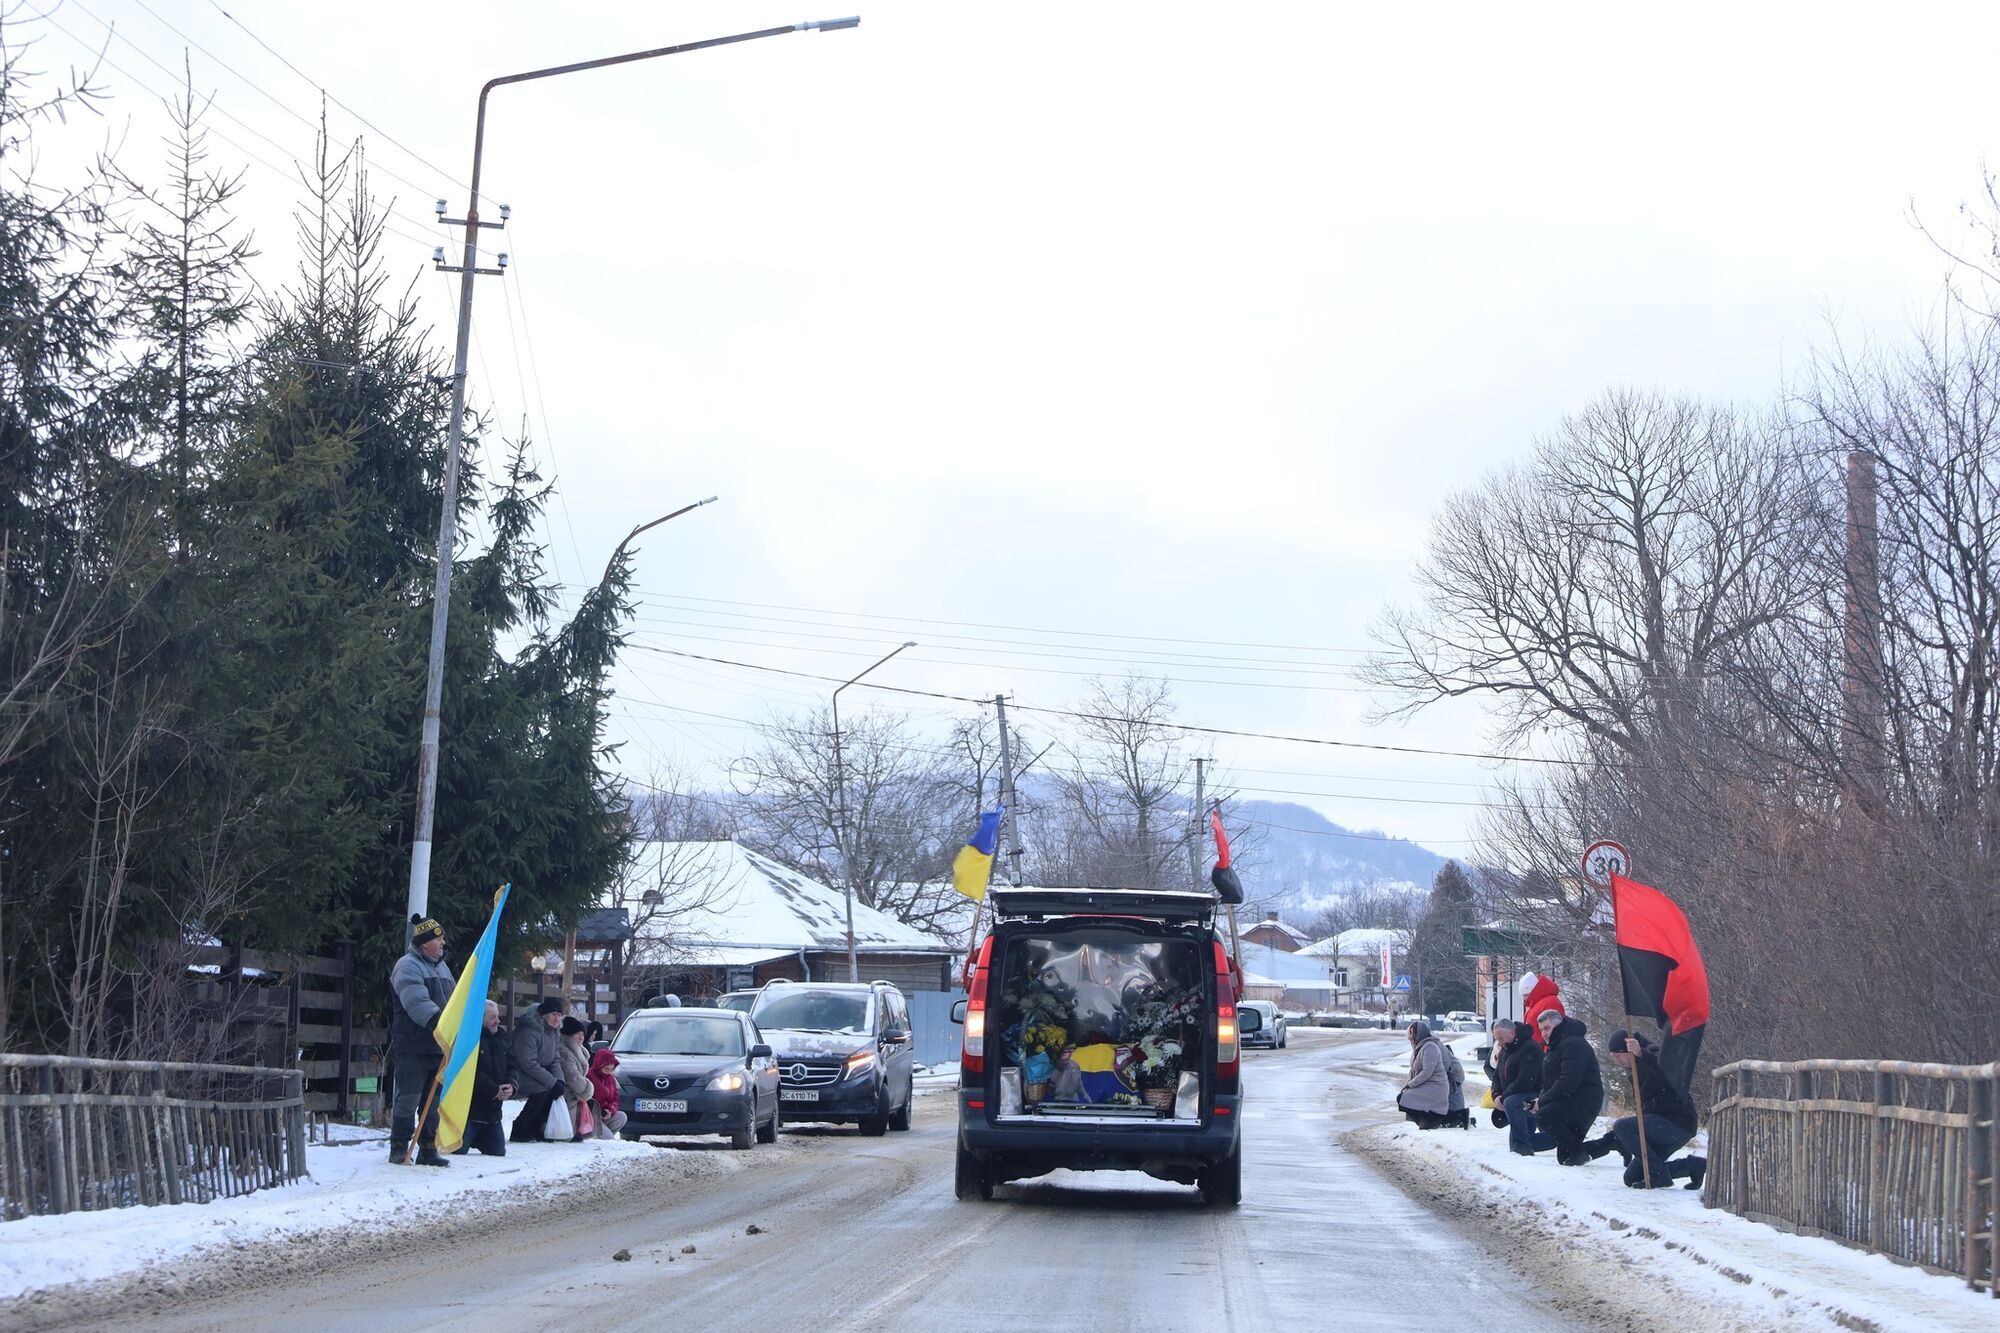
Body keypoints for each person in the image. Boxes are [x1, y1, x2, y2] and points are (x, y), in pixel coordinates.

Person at [1583, 1030, 1707, 1190]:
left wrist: (1641, 1053)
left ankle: (1658, 1175)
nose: (1616, 1061)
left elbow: (1667, 1071)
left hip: (1676, 1123)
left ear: (1629, 1049)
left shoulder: (1652, 1054)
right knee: (1632, 1177)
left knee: (1622, 1126)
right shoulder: (1634, 1068)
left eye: (1618, 1055)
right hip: (1659, 1124)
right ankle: (1692, 1166)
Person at [387, 915, 454, 1167]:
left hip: (438, 1046)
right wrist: (443, 1024)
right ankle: (399, 1148)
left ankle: (428, 1148)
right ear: (425, 943)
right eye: (438, 939)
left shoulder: (442, 967)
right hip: (414, 1047)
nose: (443, 943)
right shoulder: (407, 966)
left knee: (432, 1102)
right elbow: (416, 1003)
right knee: (408, 1099)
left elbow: (453, 1002)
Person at [1525, 1006, 1604, 1164]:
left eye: (1547, 1028)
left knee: (1545, 1115)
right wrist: (1539, 1100)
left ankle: (1580, 1151)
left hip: (1584, 1099)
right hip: (1568, 1098)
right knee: (1565, 1158)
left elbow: (1569, 1082)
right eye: (1541, 1030)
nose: (1544, 1034)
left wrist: (1542, 1102)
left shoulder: (1573, 1044)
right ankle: (1609, 1142)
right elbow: (1550, 1081)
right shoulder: (1555, 1046)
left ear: (1559, 1024)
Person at [456, 1000, 515, 1157]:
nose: (498, 1021)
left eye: (498, 1016)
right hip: (470, 1113)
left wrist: (512, 1085)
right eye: (493, 1017)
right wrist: (493, 1090)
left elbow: (513, 1065)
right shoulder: (469, 1039)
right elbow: (469, 1072)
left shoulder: (503, 1038)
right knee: (457, 1151)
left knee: (498, 1152)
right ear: (480, 1018)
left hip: (493, 1115)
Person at [509, 997, 566, 1142]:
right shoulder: (529, 1030)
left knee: (554, 1089)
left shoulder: (554, 1032)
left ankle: (537, 1128)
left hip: (536, 1072)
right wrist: (552, 1082)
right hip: (515, 1072)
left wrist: (560, 1081)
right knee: (543, 1089)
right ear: (544, 1015)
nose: (557, 1018)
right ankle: (520, 1128)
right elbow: (527, 1062)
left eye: (560, 1015)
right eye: (554, 1014)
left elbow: (555, 1059)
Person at [1489, 1019, 1546, 1154]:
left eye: (1501, 1038)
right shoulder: (1505, 1050)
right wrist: (1496, 1094)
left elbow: (1526, 1080)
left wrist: (1504, 1096)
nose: (1500, 1043)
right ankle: (1524, 1145)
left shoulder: (1531, 1048)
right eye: (1497, 1040)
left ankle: (1522, 1147)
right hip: (1513, 1094)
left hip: (1533, 1093)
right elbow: (1496, 1076)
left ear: (1512, 1032)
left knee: (1511, 1103)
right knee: (1522, 1132)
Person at [1397, 1021, 1451, 1129]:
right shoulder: (1418, 1048)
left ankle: (1429, 1120)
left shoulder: (1430, 1047)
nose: (1411, 1037)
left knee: (1405, 1098)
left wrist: (1411, 1084)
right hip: (1427, 1085)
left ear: (1420, 1033)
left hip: (1436, 1085)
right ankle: (1424, 1119)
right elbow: (1412, 1070)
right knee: (1403, 1097)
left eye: (1414, 1033)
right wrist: (1406, 1085)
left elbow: (1427, 1072)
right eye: (1410, 1033)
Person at [558, 1016, 593, 1141]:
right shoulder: (565, 1052)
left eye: (583, 1034)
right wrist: (587, 1088)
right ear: (568, 1035)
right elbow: (572, 1077)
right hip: (567, 1095)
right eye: (577, 1034)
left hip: (574, 1095)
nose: (581, 1037)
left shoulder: (577, 1050)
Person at [588, 1046, 628, 1139]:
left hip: (604, 1115)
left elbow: (615, 1098)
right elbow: (589, 1100)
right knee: (610, 1139)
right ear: (599, 1066)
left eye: (612, 1069)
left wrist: (610, 1110)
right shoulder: (590, 1076)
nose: (609, 1072)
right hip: (593, 1117)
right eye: (606, 1069)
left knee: (622, 1116)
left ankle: (600, 1136)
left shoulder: (611, 1079)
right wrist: (600, 1112)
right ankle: (600, 1135)